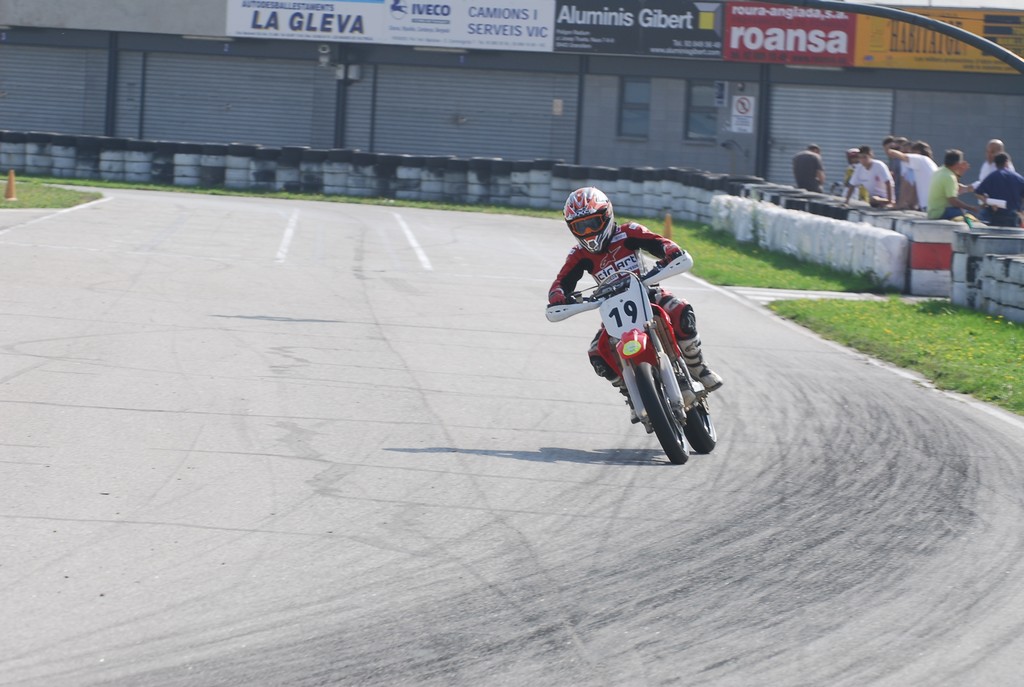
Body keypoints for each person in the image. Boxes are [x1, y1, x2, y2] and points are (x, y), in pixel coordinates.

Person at [548, 187, 723, 398]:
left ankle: (697, 365)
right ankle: (630, 394)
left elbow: (660, 243)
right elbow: (561, 282)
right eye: (580, 227)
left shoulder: (629, 231)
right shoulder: (578, 254)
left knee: (681, 310)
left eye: (592, 223)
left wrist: (670, 251)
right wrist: (558, 296)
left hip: (648, 294)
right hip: (613, 309)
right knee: (597, 354)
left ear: (606, 215)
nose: (588, 232)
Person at [885, 140, 938, 213]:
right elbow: (914, 187)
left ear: (917, 152)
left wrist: (890, 148)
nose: (909, 154)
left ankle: (901, 204)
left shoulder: (920, 159)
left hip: (928, 207)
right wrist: (911, 205)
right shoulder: (927, 163)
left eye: (911, 152)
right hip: (931, 206)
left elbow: (897, 155)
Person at [927, 149, 980, 221]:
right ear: (958, 164)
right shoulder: (949, 177)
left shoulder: (940, 170)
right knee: (962, 213)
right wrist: (970, 208)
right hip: (939, 213)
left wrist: (960, 173)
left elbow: (955, 187)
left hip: (932, 212)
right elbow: (953, 201)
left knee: (959, 210)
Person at [974, 152, 1024, 227]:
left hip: (995, 214)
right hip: (1013, 215)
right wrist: (1021, 211)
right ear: (1007, 162)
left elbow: (977, 193)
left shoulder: (992, 176)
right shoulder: (1018, 178)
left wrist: (988, 201)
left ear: (995, 164)